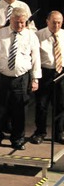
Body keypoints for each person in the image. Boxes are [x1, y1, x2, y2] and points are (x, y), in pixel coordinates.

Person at [0, 7, 41, 150]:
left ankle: (17, 139)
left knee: (20, 110)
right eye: (17, 22)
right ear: (10, 20)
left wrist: (35, 79)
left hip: (21, 78)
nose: (20, 26)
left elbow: (36, 59)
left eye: (23, 23)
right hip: (1, 77)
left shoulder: (31, 36)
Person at [32, 11, 64, 144]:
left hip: (61, 73)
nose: (56, 25)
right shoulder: (39, 35)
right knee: (42, 105)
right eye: (54, 22)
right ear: (47, 21)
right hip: (45, 73)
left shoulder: (63, 34)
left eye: (59, 22)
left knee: (61, 105)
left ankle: (59, 133)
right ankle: (40, 132)